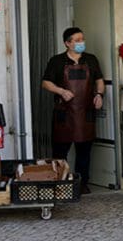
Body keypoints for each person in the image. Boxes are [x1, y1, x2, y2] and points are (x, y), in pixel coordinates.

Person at [42, 27, 105, 194]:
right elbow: (46, 83)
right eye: (77, 40)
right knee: (60, 152)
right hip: (64, 113)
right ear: (67, 43)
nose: (81, 43)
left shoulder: (91, 60)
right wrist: (61, 91)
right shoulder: (56, 61)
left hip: (86, 113)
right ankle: (58, 184)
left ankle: (82, 184)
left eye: (82, 39)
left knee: (84, 152)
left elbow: (99, 81)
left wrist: (99, 95)